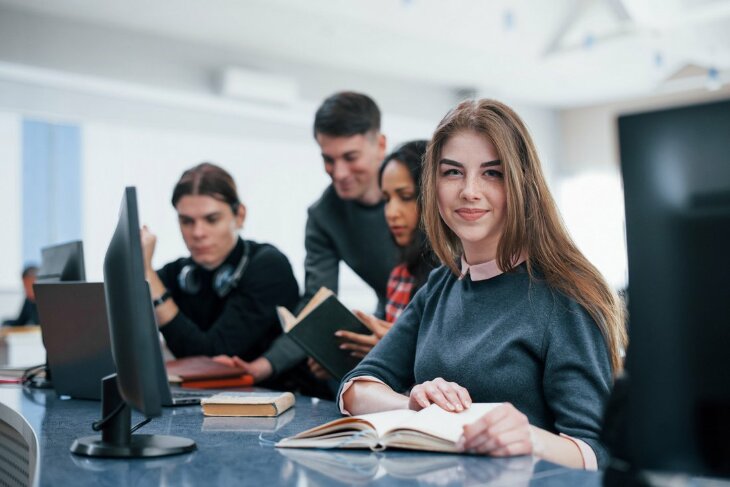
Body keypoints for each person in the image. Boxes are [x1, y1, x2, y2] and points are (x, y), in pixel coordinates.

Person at [339, 99, 627, 470]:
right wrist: (414, 403)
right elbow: (356, 388)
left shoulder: (566, 296)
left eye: (492, 173)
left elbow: (599, 454)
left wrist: (528, 437)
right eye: (453, 173)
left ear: (522, 183)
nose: (469, 191)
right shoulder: (441, 285)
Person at [239, 92, 400, 385]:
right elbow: (316, 303)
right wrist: (264, 366)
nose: (339, 173)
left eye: (350, 157)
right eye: (328, 159)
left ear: (380, 145)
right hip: (388, 325)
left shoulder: (425, 185)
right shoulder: (323, 215)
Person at [141, 162, 301, 389]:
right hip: (207, 406)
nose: (198, 233)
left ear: (239, 216)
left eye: (211, 219)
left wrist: (149, 278)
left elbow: (209, 359)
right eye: (187, 221)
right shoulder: (179, 272)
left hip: (281, 405)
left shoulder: (268, 266)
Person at [333, 140, 437, 359]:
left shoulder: (455, 277)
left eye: (406, 197)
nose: (391, 212)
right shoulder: (400, 274)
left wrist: (396, 347)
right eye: (387, 199)